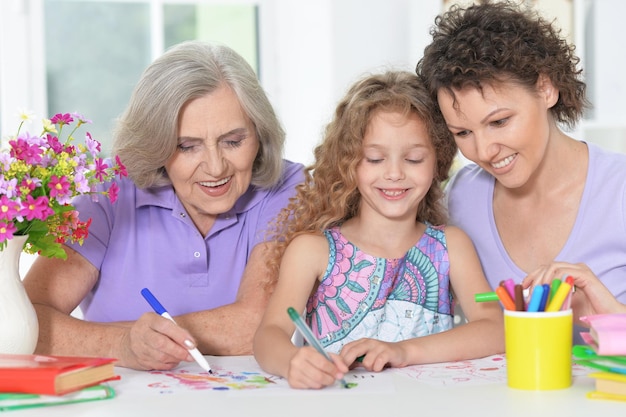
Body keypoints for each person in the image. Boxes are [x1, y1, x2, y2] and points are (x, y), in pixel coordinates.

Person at [23, 41, 304, 370]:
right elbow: (24, 326)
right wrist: (124, 345)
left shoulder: (286, 187)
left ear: (259, 133)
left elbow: (259, 326)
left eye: (233, 141)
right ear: (154, 145)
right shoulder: (108, 193)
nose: (215, 167)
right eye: (187, 146)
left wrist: (130, 340)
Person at [253, 70, 504, 389]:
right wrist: (291, 362)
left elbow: (495, 328)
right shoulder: (312, 250)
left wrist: (402, 351)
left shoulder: (451, 246)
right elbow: (267, 335)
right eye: (374, 158)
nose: (395, 173)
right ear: (349, 163)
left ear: (437, 161)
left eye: (413, 159)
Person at [417, 1, 626, 333]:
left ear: (545, 89)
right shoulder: (459, 199)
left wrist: (607, 312)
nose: (484, 151)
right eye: (464, 133)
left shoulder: (619, 191)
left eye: (499, 121)